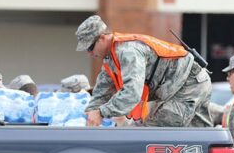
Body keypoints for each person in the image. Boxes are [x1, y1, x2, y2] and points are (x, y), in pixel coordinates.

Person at [74, 15, 211, 127]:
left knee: (156, 133)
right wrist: (91, 112)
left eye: (90, 47)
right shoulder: (110, 59)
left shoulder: (127, 52)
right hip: (179, 87)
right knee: (200, 137)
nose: (89, 53)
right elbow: (101, 92)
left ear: (103, 38)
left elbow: (132, 94)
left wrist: (101, 113)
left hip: (189, 83)